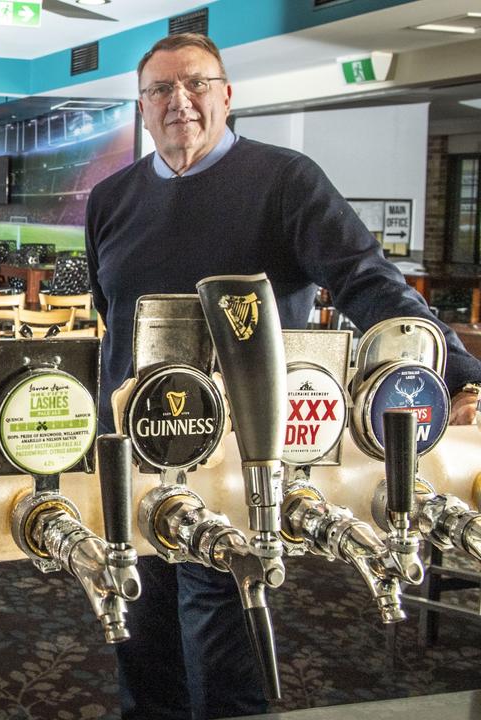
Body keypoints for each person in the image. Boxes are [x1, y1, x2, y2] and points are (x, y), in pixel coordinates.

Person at [85, 33, 481, 720]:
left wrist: (460, 374)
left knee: (220, 642)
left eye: (197, 84)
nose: (180, 100)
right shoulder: (111, 197)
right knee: (141, 642)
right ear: (141, 107)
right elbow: (110, 314)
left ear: (227, 95)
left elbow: (370, 284)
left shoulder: (286, 180)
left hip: (239, 460)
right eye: (160, 89)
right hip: (133, 455)